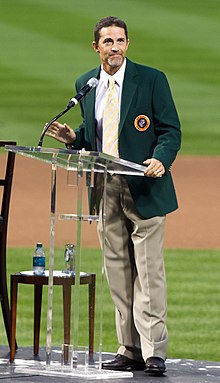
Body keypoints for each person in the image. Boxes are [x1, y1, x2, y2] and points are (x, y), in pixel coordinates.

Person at [46, 16, 181, 376]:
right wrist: (75, 139)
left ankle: (154, 351)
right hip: (104, 187)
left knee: (149, 272)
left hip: (144, 186)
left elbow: (170, 131)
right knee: (118, 271)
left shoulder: (151, 80)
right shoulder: (87, 84)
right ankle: (130, 348)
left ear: (127, 44)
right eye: (108, 42)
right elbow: (95, 134)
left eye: (120, 40)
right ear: (97, 47)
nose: (115, 47)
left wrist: (161, 160)